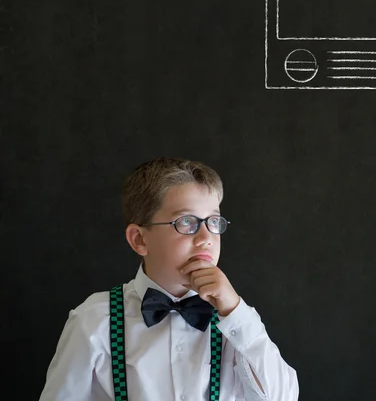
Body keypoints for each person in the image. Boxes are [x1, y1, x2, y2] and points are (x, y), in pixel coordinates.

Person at [39, 157, 299, 401]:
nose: (206, 237)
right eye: (186, 222)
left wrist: (235, 312)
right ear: (139, 239)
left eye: (213, 221)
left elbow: (283, 397)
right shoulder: (94, 321)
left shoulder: (236, 323)